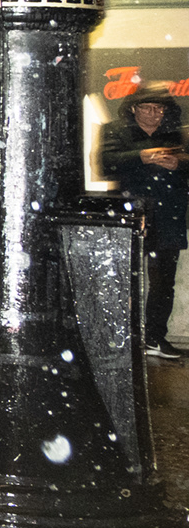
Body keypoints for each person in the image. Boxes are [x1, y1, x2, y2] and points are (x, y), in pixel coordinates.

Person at [100, 83, 188, 360]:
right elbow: (105, 163)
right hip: (131, 213)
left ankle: (154, 338)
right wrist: (142, 156)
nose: (153, 113)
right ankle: (117, 340)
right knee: (121, 279)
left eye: (159, 108)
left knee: (163, 282)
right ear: (133, 109)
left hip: (169, 214)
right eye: (147, 108)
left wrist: (179, 164)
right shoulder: (116, 130)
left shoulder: (176, 132)